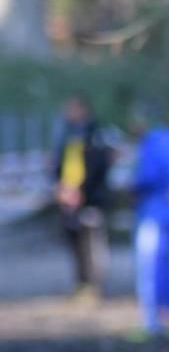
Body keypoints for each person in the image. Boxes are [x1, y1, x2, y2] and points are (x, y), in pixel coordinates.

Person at [129, 103, 169, 335]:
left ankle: (152, 321)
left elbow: (146, 178)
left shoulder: (151, 145)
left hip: (154, 214)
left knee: (149, 267)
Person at [52, 94, 112, 301]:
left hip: (90, 200)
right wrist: (62, 187)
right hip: (69, 201)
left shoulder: (96, 135)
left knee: (92, 244)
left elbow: (97, 167)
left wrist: (82, 191)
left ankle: (95, 286)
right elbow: (61, 165)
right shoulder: (67, 135)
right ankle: (80, 283)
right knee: (75, 244)